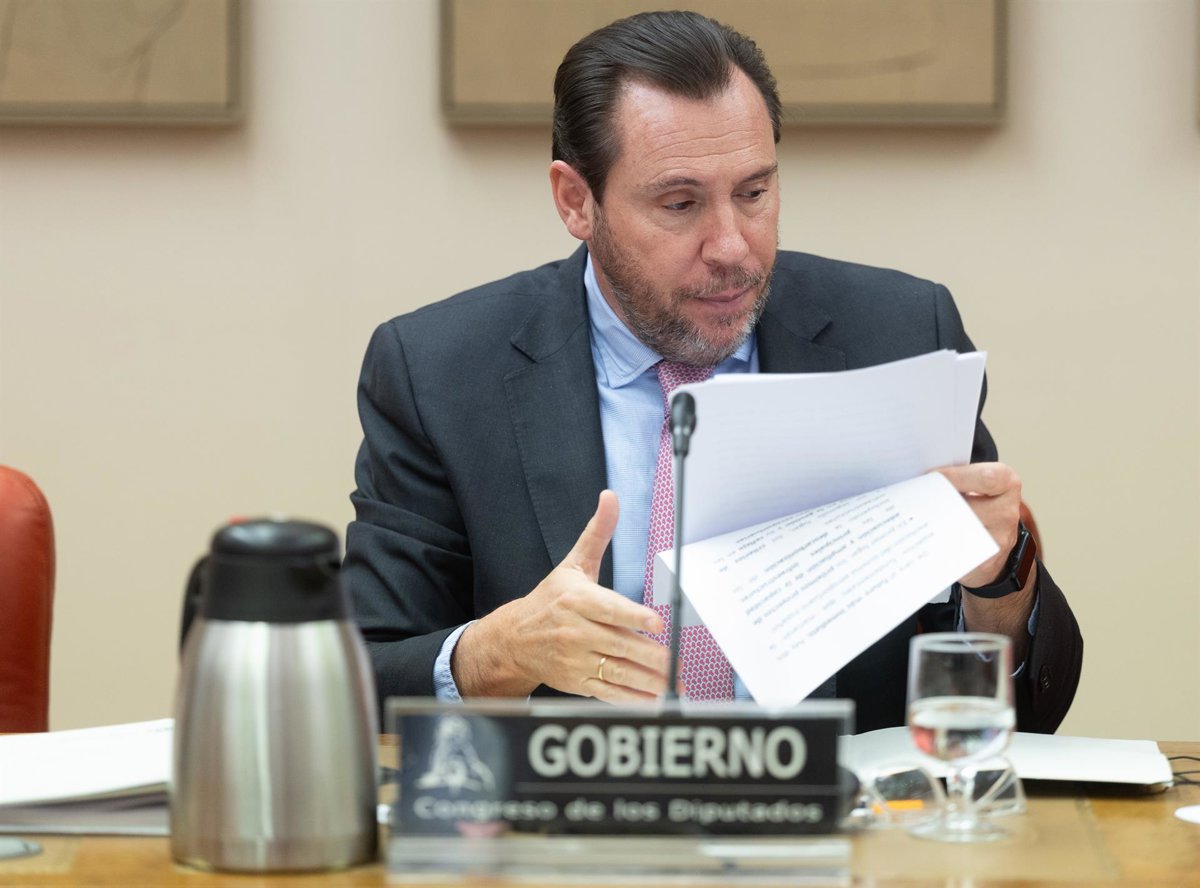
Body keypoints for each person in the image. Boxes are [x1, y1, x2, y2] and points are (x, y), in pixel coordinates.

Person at [344, 11, 1082, 734]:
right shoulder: (441, 372)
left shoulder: (899, 334)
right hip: (572, 811)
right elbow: (362, 680)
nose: (732, 246)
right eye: (680, 203)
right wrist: (500, 651)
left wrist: (999, 581)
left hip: (841, 807)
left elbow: (1032, 711)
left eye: (754, 193)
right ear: (576, 201)